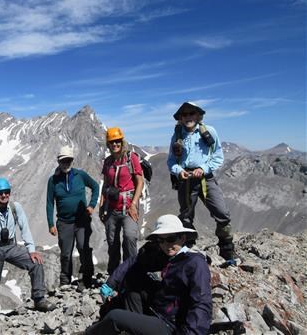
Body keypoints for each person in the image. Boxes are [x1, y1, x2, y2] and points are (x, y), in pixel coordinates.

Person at [85, 214, 212, 335]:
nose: (166, 245)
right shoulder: (167, 256)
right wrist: (111, 283)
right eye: (161, 241)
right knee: (133, 283)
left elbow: (201, 303)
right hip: (159, 312)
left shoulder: (195, 263)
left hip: (171, 326)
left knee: (115, 317)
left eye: (171, 239)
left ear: (183, 238)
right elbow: (134, 261)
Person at [0, 177, 55, 324]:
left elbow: (25, 229)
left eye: (6, 192)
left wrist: (31, 250)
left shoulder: (15, 207)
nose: (4, 195)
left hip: (10, 246)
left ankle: (39, 299)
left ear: (10, 192)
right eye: (0, 193)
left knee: (36, 263)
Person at [167, 101, 237, 262]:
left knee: (222, 212)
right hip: (186, 180)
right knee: (186, 216)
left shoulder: (209, 131)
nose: (188, 117)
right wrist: (179, 171)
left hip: (206, 178)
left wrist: (204, 168)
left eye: (192, 113)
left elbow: (218, 156)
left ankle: (227, 250)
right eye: (185, 114)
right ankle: (190, 248)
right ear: (181, 118)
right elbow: (171, 161)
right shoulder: (177, 135)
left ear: (198, 115)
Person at [46, 146, 100, 289]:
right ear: (59, 161)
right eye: (63, 160)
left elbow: (95, 187)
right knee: (65, 253)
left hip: (82, 221)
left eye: (69, 160)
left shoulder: (80, 175)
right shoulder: (53, 181)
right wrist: (50, 224)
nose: (66, 163)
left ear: (72, 160)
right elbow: (50, 202)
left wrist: (92, 204)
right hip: (64, 222)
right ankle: (65, 282)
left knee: (83, 248)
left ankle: (86, 278)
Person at [100, 127, 144, 274]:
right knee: (112, 243)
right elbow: (105, 185)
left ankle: (132, 272)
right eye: (112, 142)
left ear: (122, 141)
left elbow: (140, 182)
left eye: (117, 141)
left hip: (128, 207)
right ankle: (114, 275)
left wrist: (133, 204)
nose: (115, 144)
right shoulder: (107, 162)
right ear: (108, 144)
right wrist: (101, 206)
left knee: (130, 237)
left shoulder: (132, 158)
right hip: (112, 208)